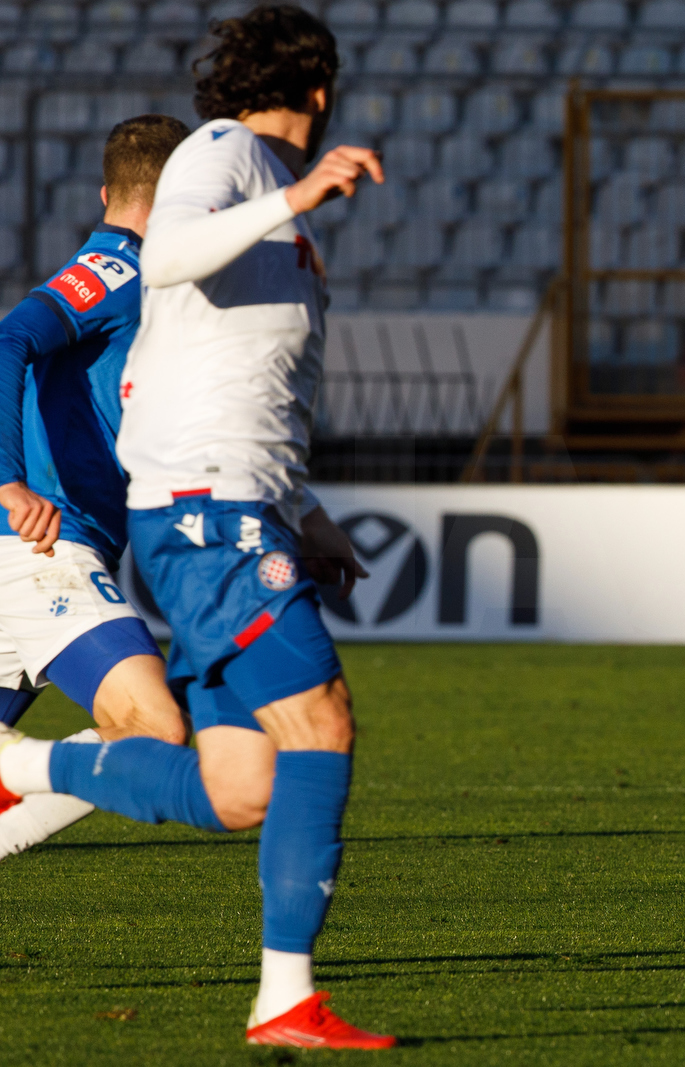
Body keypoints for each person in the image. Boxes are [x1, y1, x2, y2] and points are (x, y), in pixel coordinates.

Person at [0, 5, 391, 1047]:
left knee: (241, 781)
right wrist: (299, 194)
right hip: (200, 512)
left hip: (230, 502)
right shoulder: (222, 155)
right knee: (323, 722)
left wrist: (303, 510)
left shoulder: (265, 195)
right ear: (320, 91)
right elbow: (164, 254)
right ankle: (285, 996)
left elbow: (210, 373)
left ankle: (21, 767)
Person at [0, 114, 191, 858]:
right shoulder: (120, 268)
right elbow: (9, 337)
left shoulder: (156, 280)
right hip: (44, 543)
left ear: (106, 189)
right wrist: (8, 481)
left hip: (42, 548)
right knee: (152, 728)